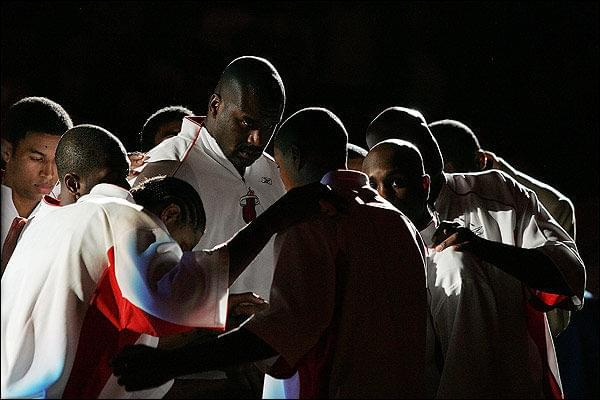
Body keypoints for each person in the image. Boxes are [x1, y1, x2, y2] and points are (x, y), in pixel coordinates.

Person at [112, 107, 429, 399]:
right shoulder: (398, 221)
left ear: (291, 156)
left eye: (277, 165)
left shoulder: (312, 222)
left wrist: (168, 364)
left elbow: (278, 336)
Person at [1, 124, 331, 399]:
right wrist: (271, 221)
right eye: (174, 252)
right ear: (168, 216)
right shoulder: (119, 215)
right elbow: (175, 299)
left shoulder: (41, 221)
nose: (177, 258)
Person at [364, 107, 586, 399]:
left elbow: (570, 275)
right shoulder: (371, 221)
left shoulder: (496, 191)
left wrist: (483, 249)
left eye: (422, 136)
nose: (417, 149)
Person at [131, 56, 287, 397]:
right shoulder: (168, 171)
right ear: (215, 105)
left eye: (270, 126)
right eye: (246, 123)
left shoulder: (274, 172)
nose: (258, 139)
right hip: (186, 378)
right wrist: (215, 331)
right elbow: (139, 294)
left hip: (264, 376)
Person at [429, 118, 578, 336]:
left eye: (456, 174)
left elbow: (553, 321)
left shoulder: (527, 204)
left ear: (482, 161)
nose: (455, 185)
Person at [1, 96, 72, 267]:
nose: (49, 173)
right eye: (36, 158)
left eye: (58, 161)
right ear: (6, 152)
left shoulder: (65, 220)